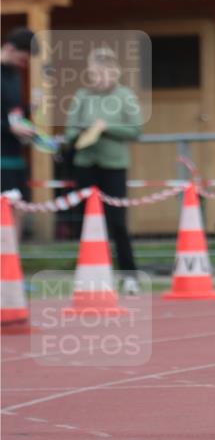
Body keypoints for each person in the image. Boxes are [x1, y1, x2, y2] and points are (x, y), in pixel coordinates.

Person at [64, 47, 142, 294]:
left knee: (117, 223)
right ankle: (90, 274)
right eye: (93, 74)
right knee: (86, 223)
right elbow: (69, 131)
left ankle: (129, 275)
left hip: (114, 166)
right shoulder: (82, 96)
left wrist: (107, 128)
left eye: (101, 74)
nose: (96, 79)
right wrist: (80, 131)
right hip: (86, 165)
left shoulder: (124, 96)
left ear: (112, 72)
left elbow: (135, 130)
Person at [1, 28, 35, 203]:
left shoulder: (15, 77)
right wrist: (8, 126)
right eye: (22, 60)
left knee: (19, 204)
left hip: (15, 154)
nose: (24, 65)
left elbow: (12, 111)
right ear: (9, 49)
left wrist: (28, 109)